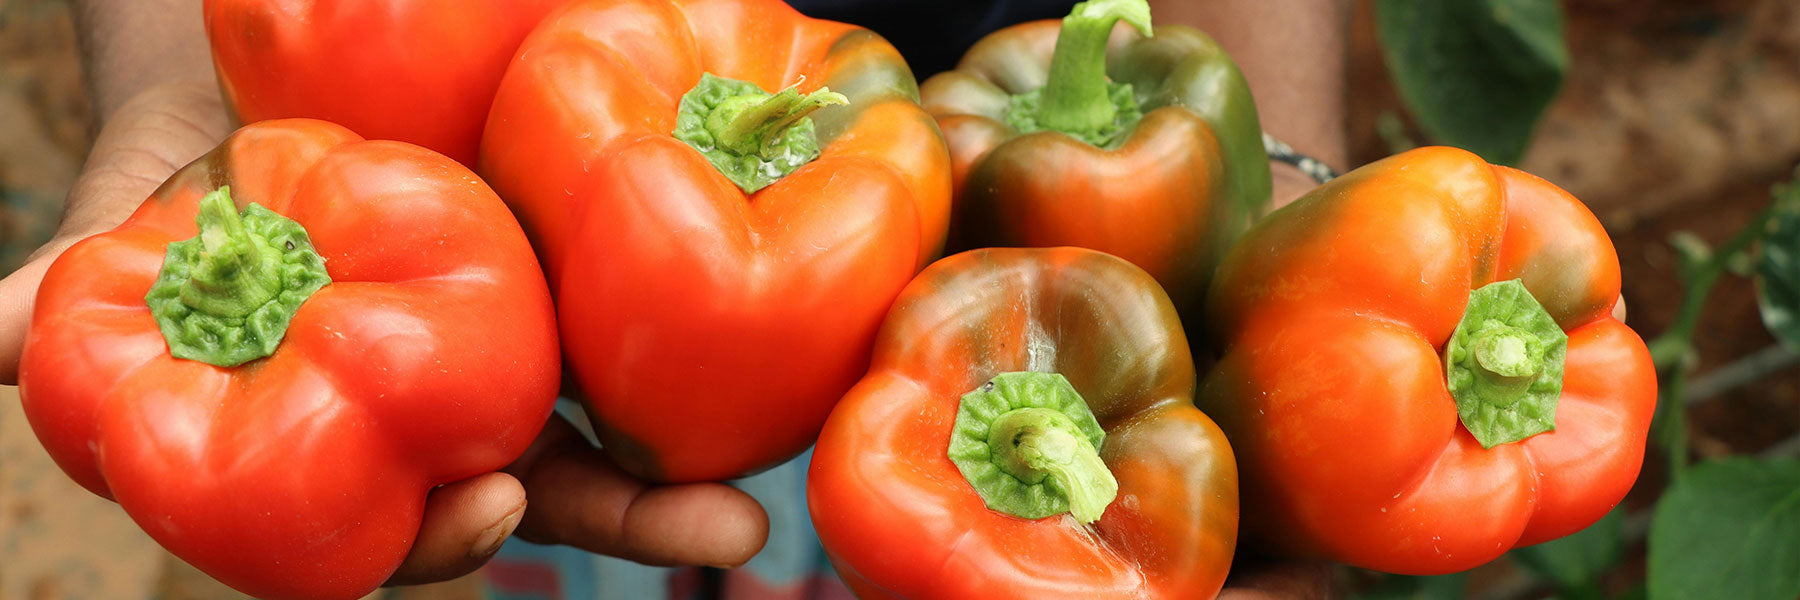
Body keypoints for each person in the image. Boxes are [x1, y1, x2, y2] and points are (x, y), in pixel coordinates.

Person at [0, 0, 1345, 597]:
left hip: (983, 185)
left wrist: (1254, 187)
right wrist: (181, 82)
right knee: (568, 505)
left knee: (861, 500)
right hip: (502, 236)